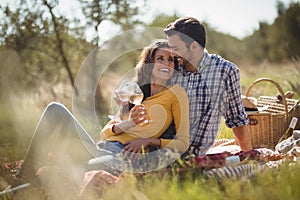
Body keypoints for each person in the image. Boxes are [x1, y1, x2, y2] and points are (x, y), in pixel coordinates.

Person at [18, 40, 189, 189]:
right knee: (55, 109)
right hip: (100, 148)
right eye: (161, 58)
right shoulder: (134, 94)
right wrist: (127, 122)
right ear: (149, 63)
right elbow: (104, 134)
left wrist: (149, 141)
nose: (167, 63)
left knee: (70, 169)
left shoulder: (176, 93)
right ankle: (22, 177)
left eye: (171, 60)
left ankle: (20, 189)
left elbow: (183, 143)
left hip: (121, 158)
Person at [163, 17, 252, 155]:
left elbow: (237, 118)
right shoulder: (170, 68)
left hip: (191, 156)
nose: (172, 54)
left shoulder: (224, 71)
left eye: (176, 48)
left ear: (193, 46)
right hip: (159, 148)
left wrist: (248, 155)